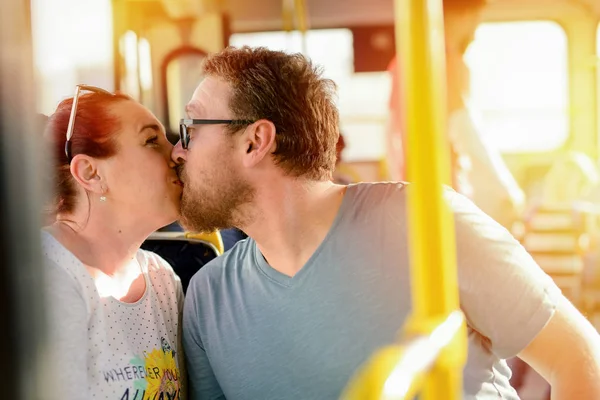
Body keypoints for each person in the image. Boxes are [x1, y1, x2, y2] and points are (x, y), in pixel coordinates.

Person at [174, 47, 600, 400]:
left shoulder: (423, 221)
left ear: (255, 141)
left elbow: (578, 359)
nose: (178, 151)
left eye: (191, 128)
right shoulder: (208, 299)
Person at [42, 85, 186, 400]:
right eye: (151, 141)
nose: (176, 153)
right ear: (90, 172)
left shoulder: (162, 281)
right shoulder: (44, 282)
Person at [387, 0, 525, 229]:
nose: (475, 34)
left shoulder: (402, 63)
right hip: (447, 196)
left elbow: (392, 140)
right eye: (475, 22)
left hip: (412, 196)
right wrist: (506, 191)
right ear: (463, 16)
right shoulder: (445, 61)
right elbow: (465, 130)